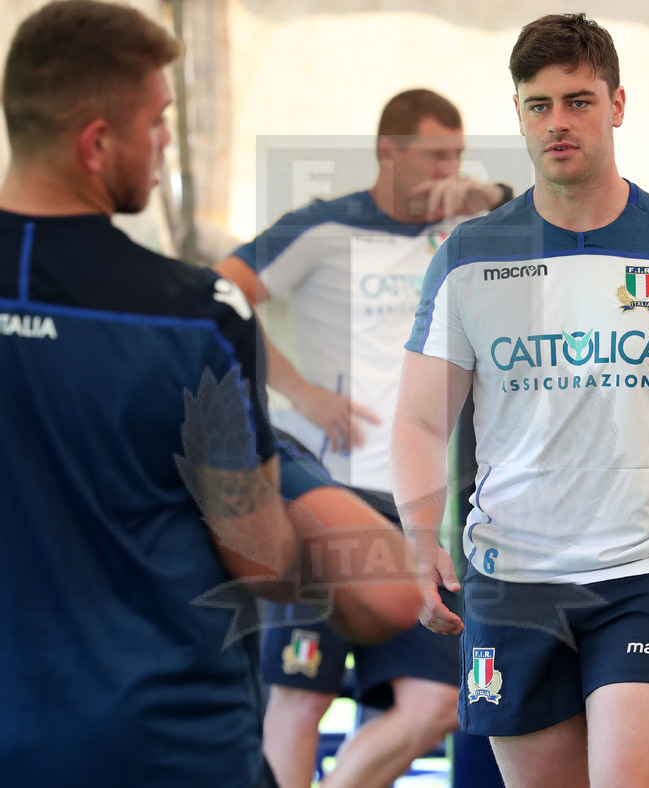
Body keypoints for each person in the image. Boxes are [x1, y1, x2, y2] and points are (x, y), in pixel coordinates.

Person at [0, 3, 421, 788]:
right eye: (156, 120)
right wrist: (288, 473)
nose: (166, 141)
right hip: (163, 748)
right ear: (96, 143)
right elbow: (261, 560)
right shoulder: (193, 316)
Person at [390, 12, 649, 788]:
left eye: (579, 101)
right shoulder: (469, 257)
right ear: (521, 116)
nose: (558, 123)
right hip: (510, 578)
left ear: (617, 105)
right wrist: (419, 532)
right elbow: (421, 418)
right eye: (539, 105)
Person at [216, 88, 512, 787]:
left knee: (437, 701)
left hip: (412, 511)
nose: (450, 169)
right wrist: (298, 389)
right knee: (301, 692)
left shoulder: (461, 236)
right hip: (324, 493)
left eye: (458, 155)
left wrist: (486, 190)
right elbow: (220, 292)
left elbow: (541, 202)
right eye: (436, 154)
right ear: (389, 151)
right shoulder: (325, 226)